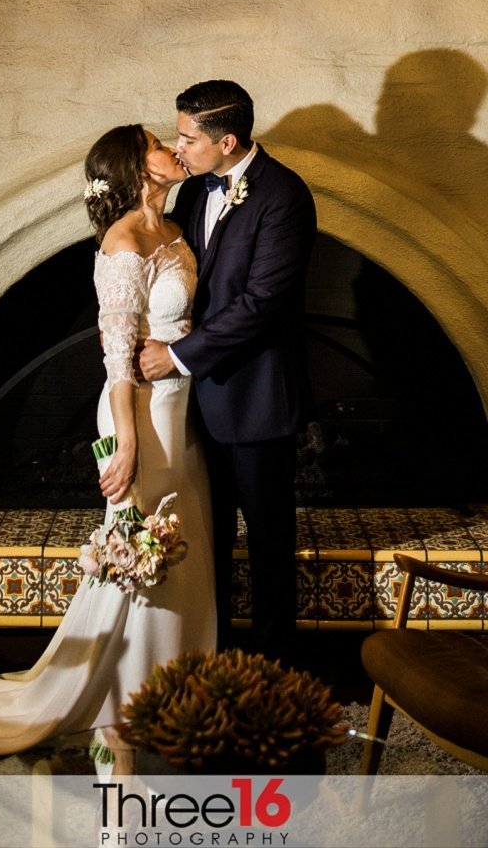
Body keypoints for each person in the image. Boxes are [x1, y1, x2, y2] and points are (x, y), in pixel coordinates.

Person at [0, 124, 214, 757]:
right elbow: (118, 360)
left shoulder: (176, 231)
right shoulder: (123, 244)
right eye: (158, 142)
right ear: (137, 167)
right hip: (140, 414)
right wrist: (127, 445)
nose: (171, 149)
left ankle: (176, 682)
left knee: (185, 544)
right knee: (140, 550)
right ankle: (126, 693)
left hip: (181, 412)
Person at [139, 80, 316, 668]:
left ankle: (272, 670)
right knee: (205, 536)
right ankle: (207, 654)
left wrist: (179, 355)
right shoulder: (191, 195)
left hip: (257, 398)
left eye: (188, 138)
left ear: (228, 140)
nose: (179, 147)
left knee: (268, 543)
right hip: (192, 402)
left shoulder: (284, 195)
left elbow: (264, 302)